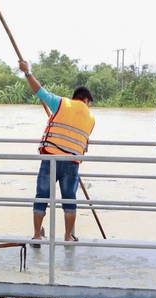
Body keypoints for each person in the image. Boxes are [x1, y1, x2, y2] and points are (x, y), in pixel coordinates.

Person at [18, 60, 95, 246]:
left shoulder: (61, 103)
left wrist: (27, 72)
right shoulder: (91, 118)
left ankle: (37, 235)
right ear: (85, 100)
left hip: (50, 159)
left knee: (42, 196)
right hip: (71, 164)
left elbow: (39, 91)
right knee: (70, 200)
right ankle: (68, 236)